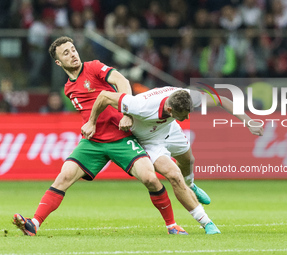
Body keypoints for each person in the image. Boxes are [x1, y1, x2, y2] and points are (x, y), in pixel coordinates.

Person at [13, 36, 187, 236]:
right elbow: (89, 113)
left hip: (121, 138)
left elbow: (122, 80)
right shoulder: (68, 89)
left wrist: (128, 114)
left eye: (73, 49)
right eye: (66, 53)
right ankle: (34, 223)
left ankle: (172, 225)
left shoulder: (94, 67)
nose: (73, 54)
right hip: (93, 142)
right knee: (64, 177)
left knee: (150, 178)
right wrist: (89, 126)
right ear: (58, 62)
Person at [81, 87, 264, 234]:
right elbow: (104, 96)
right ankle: (206, 222)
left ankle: (191, 185)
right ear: (170, 109)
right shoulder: (140, 105)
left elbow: (223, 99)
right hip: (148, 141)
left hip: (169, 130)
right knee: (174, 175)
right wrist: (92, 122)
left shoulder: (187, 97)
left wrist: (248, 122)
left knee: (189, 161)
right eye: (184, 114)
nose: (187, 118)